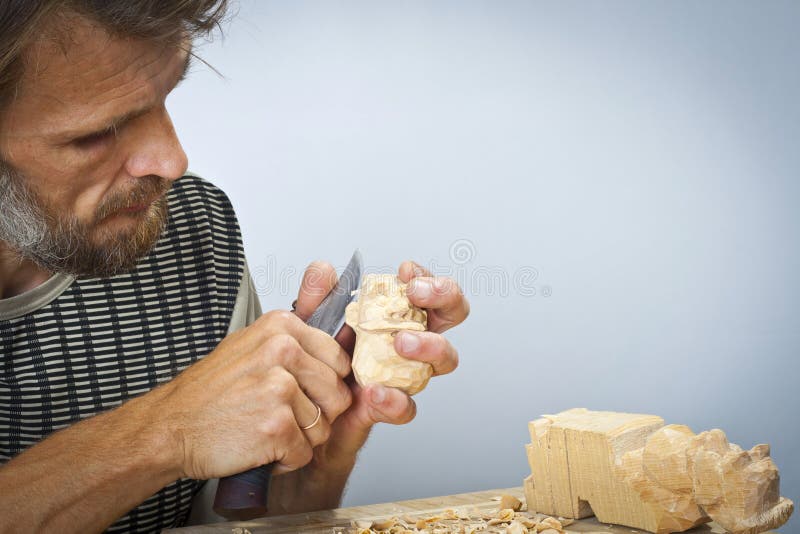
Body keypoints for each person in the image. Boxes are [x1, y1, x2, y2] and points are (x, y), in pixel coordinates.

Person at [0, 2, 469, 532]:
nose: (172, 161)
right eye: (95, 133)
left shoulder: (191, 227)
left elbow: (233, 519)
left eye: (166, 95)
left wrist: (303, 465)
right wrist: (166, 431)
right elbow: (181, 429)